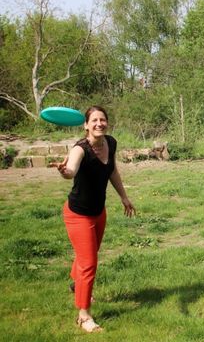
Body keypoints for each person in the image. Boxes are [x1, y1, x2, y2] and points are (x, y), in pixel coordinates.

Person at [52, 106, 135, 332]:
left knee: (87, 256)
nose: (99, 123)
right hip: (78, 214)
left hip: (99, 212)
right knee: (88, 263)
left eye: (103, 119)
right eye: (94, 120)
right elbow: (71, 169)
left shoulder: (111, 142)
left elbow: (112, 171)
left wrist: (124, 197)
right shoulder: (80, 149)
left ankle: (75, 285)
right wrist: (64, 171)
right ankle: (84, 315)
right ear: (86, 125)